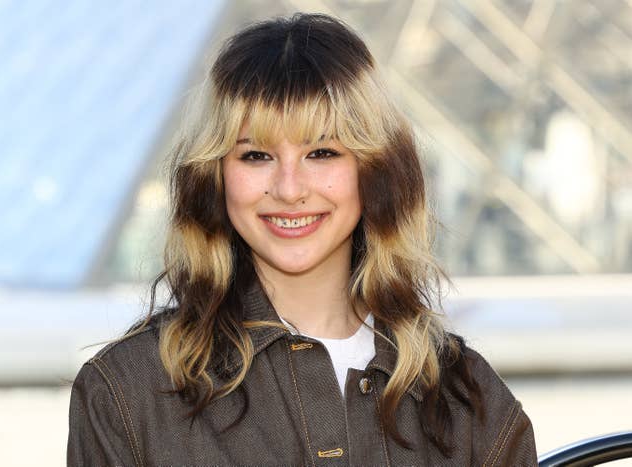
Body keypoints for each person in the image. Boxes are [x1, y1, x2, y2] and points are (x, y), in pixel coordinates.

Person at [68, 13, 537, 466]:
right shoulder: (126, 394)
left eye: (322, 152)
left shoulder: (471, 403)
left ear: (374, 169)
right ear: (215, 175)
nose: (290, 189)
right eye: (256, 155)